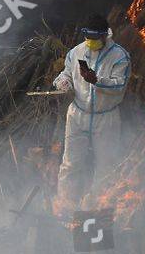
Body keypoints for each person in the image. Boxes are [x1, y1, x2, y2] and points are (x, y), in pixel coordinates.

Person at [54, 14, 131, 207]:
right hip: (77, 114)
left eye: (95, 38)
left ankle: (99, 207)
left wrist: (96, 80)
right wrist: (63, 82)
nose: (91, 42)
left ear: (105, 36)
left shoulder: (120, 56)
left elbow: (119, 85)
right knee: (70, 163)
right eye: (88, 37)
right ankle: (65, 204)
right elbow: (66, 73)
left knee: (106, 165)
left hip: (106, 117)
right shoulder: (76, 52)